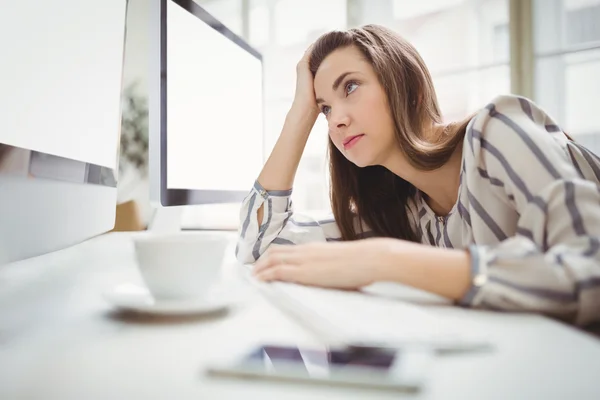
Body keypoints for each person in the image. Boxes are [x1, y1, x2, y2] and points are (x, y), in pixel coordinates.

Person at [235, 24, 600, 328]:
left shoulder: (498, 132)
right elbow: (259, 248)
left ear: (408, 87)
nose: (336, 120)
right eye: (326, 109)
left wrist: (389, 261)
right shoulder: (408, 213)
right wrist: (301, 113)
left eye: (350, 87)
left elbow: (591, 272)